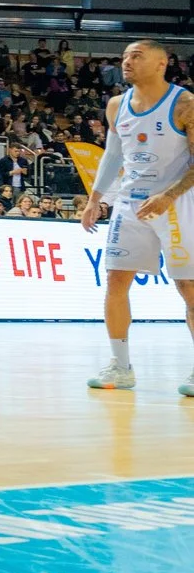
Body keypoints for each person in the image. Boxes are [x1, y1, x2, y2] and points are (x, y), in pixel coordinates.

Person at [84, 41, 194, 391]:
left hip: (179, 204)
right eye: (124, 57)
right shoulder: (117, 105)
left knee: (188, 287)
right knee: (116, 280)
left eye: (136, 56)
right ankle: (120, 366)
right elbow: (112, 155)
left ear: (162, 64)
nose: (127, 62)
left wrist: (168, 196)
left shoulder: (185, 103)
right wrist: (95, 199)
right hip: (130, 204)